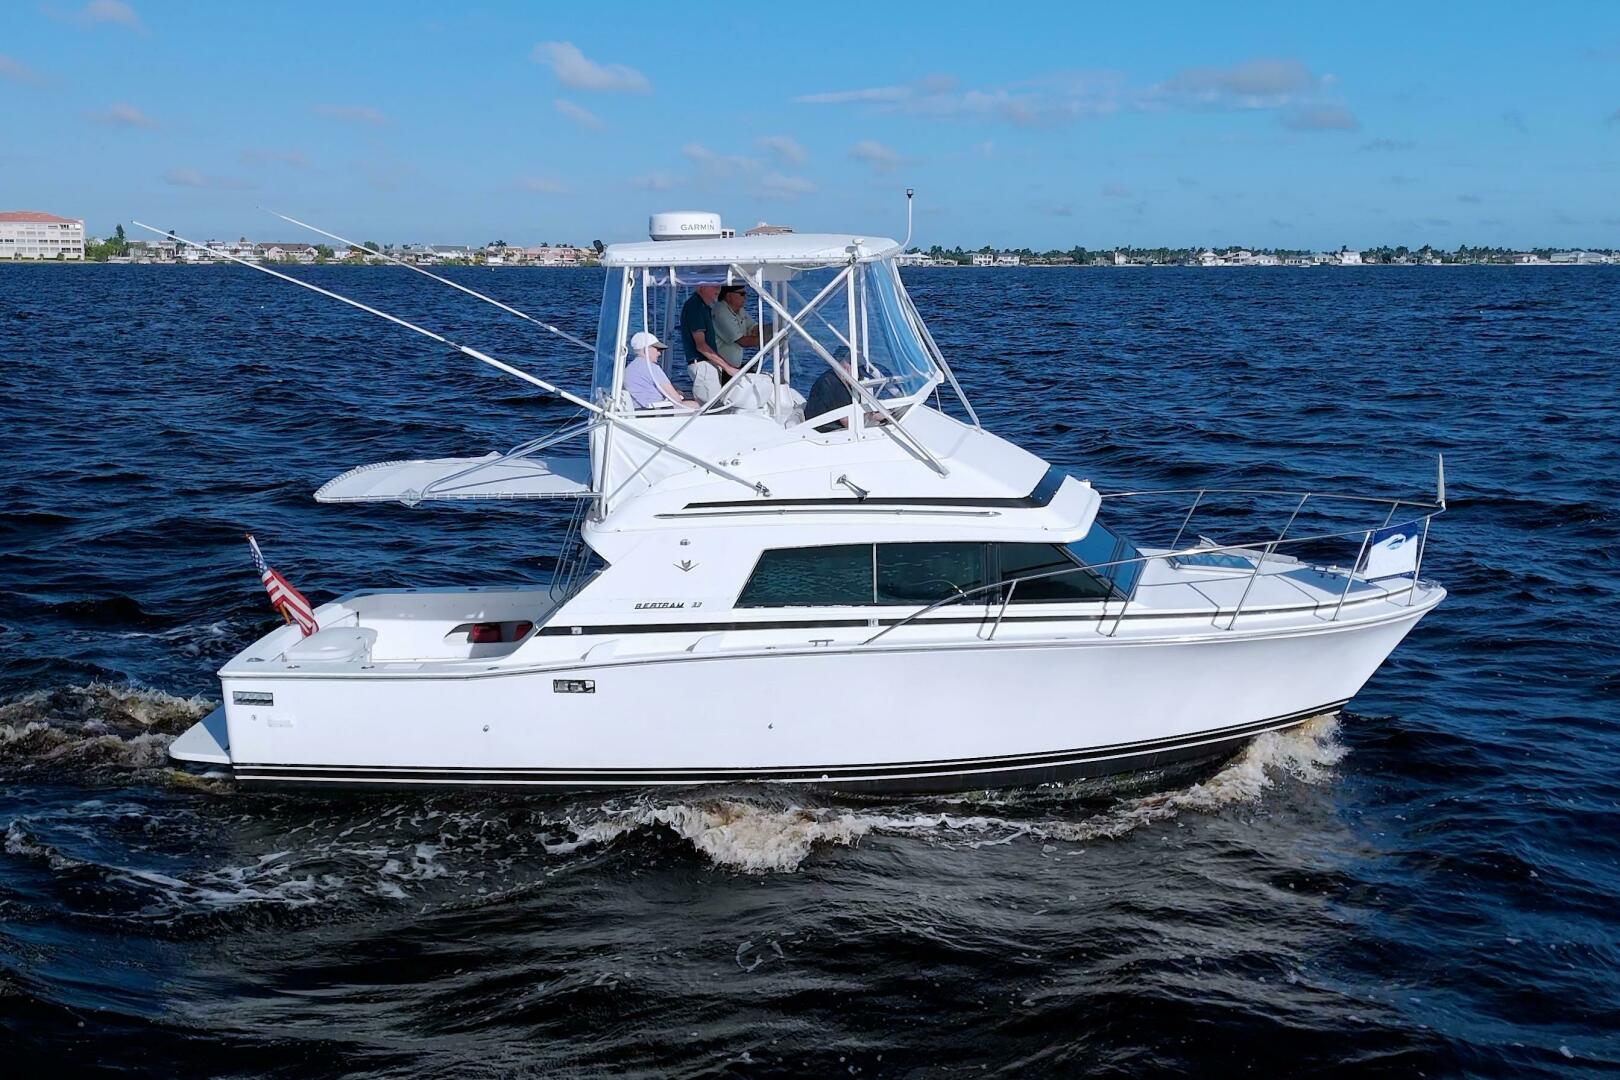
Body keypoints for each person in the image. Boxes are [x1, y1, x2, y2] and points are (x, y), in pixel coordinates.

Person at [679, 282, 738, 403]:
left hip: (707, 365)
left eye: (719, 286)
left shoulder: (702, 307)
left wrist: (727, 366)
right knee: (710, 408)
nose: (718, 289)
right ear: (702, 287)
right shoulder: (695, 307)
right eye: (715, 286)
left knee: (714, 405)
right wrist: (728, 368)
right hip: (703, 366)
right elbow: (701, 346)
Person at [623, 331, 696, 410]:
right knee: (696, 405)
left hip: (637, 410)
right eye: (657, 349)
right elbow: (676, 399)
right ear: (646, 349)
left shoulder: (629, 368)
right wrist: (677, 395)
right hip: (654, 411)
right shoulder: (651, 368)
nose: (659, 353)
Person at [710, 284, 769, 372]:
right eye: (742, 294)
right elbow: (743, 342)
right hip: (720, 368)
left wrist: (774, 328)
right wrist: (770, 338)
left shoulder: (740, 310)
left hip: (731, 367)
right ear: (729, 296)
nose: (745, 297)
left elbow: (754, 328)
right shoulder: (720, 311)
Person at [804, 346, 857, 432]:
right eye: (850, 362)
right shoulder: (832, 383)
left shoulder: (836, 379)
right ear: (841, 364)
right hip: (824, 431)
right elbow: (847, 421)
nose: (854, 367)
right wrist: (871, 419)